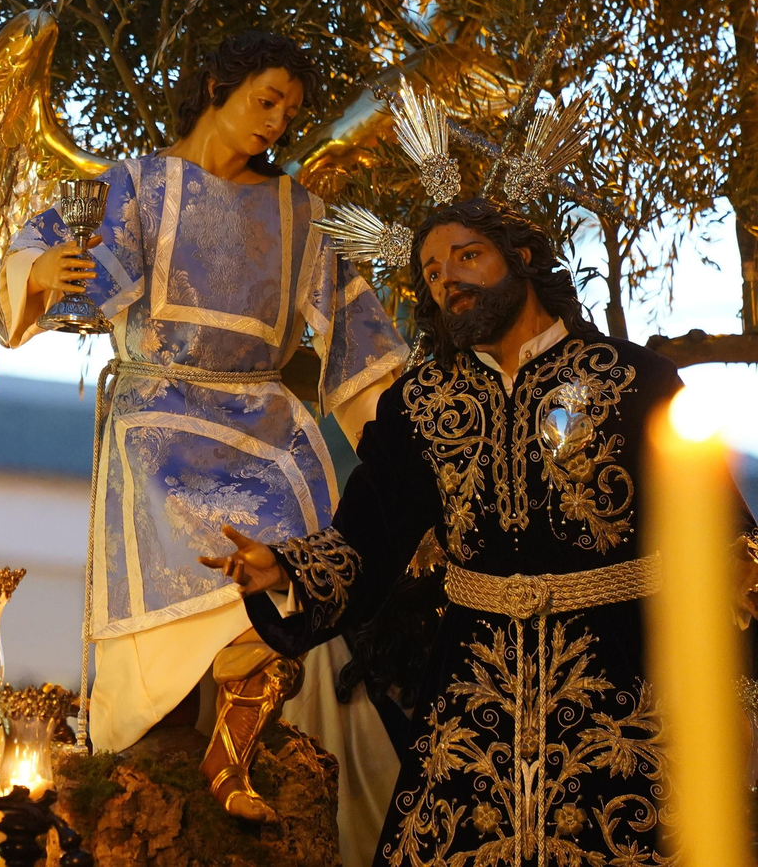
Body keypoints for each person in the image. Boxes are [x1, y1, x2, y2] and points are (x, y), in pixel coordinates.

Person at [214, 198, 758, 866]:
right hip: (475, 691)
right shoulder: (423, 401)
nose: (449, 281)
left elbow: (720, 540)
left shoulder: (633, 381)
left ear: (523, 257)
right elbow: (370, 530)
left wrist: (736, 695)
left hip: (621, 680)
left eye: (467, 256)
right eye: (433, 272)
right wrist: (289, 569)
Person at [0, 32, 409, 853]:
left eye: (291, 112)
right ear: (218, 83)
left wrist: (407, 458)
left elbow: (360, 352)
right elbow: (44, 263)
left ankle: (233, 749)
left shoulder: (300, 214)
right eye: (267, 101)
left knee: (299, 552)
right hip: (159, 422)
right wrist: (43, 275)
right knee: (196, 550)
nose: (278, 125)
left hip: (264, 424)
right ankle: (180, 748)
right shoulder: (139, 185)